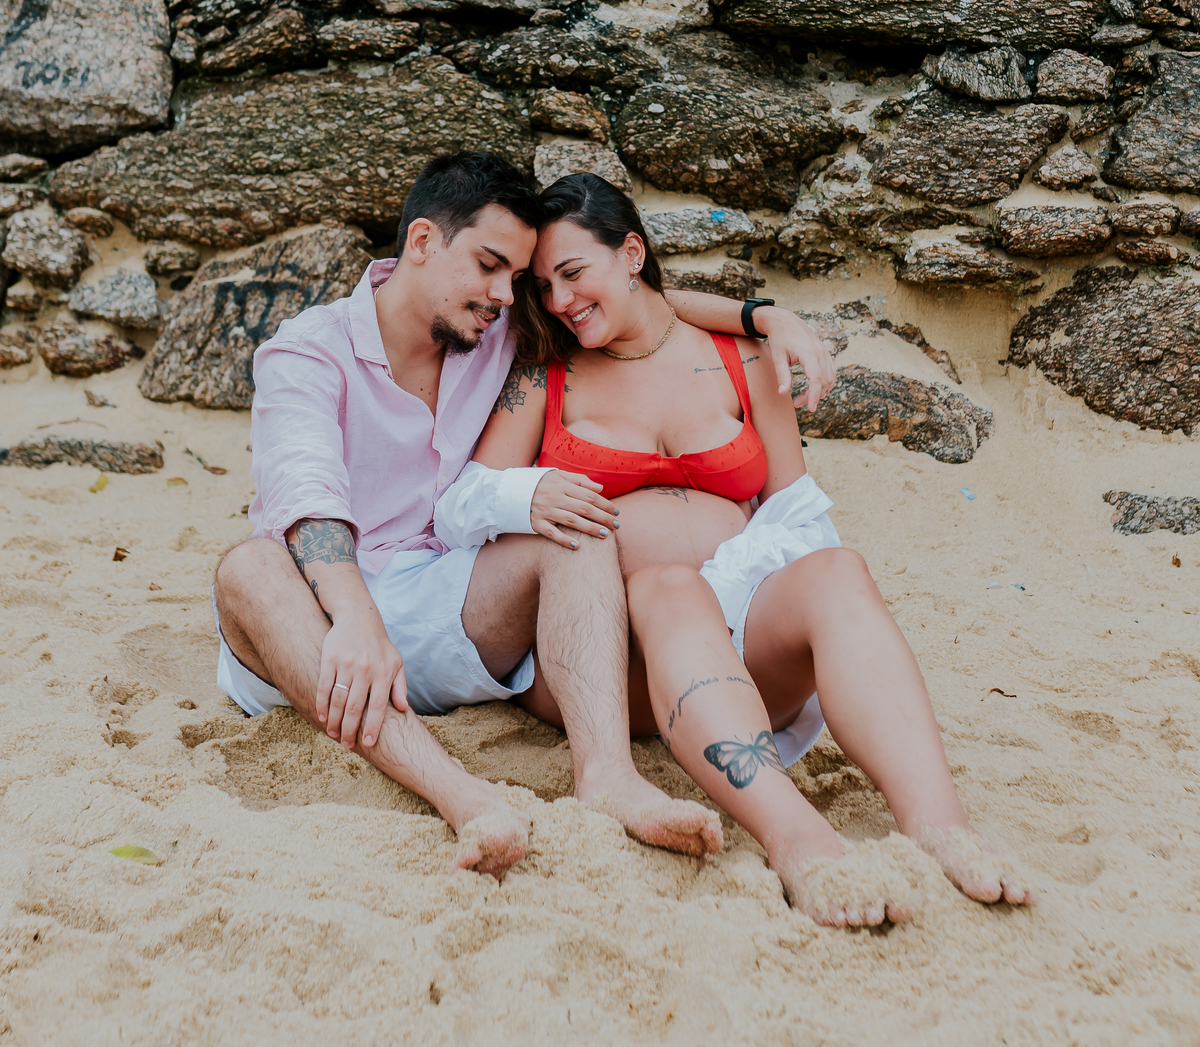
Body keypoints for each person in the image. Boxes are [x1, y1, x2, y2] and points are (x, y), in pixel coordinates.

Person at [213, 151, 838, 880]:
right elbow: (305, 494)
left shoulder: (493, 330)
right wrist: (354, 621)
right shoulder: (307, 351)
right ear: (422, 242)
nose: (506, 295)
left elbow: (643, 301)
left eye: (515, 278)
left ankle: (606, 777)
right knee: (248, 566)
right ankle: (463, 795)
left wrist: (767, 316)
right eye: (488, 265)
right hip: (317, 621)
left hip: (446, 606)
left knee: (575, 522)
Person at [455, 174, 1036, 926]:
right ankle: (799, 840)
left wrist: (765, 320)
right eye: (545, 287)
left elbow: (793, 508)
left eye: (573, 274)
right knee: (669, 587)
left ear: (632, 253)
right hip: (606, 657)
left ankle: (939, 825)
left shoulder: (743, 358)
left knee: (836, 569)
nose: (560, 301)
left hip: (730, 634)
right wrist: (528, 496)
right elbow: (465, 502)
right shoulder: (543, 371)